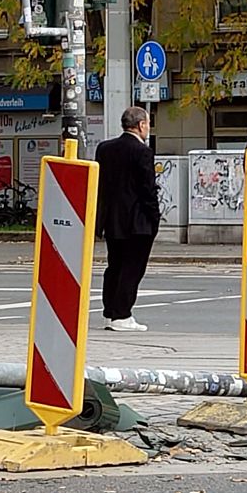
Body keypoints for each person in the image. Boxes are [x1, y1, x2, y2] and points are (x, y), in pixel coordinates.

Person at [95, 106, 160, 332]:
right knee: (133, 268)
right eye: (148, 124)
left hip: (112, 218)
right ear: (141, 125)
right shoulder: (142, 152)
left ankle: (110, 312)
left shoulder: (105, 149)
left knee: (114, 265)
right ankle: (122, 314)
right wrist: (155, 218)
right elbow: (147, 189)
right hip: (138, 221)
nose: (148, 128)